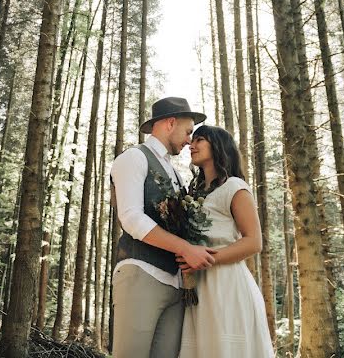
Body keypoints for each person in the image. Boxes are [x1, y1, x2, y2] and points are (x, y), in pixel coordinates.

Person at [110, 97, 214, 358]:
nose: (190, 140)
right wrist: (184, 248)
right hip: (141, 275)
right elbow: (131, 218)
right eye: (188, 132)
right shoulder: (134, 158)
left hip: (176, 285)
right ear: (170, 123)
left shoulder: (177, 175)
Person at [178, 124, 275, 358]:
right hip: (197, 286)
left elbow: (254, 242)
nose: (192, 145)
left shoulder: (235, 187)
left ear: (218, 145)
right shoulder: (193, 192)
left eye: (200, 140)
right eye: (192, 140)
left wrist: (206, 258)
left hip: (226, 284)